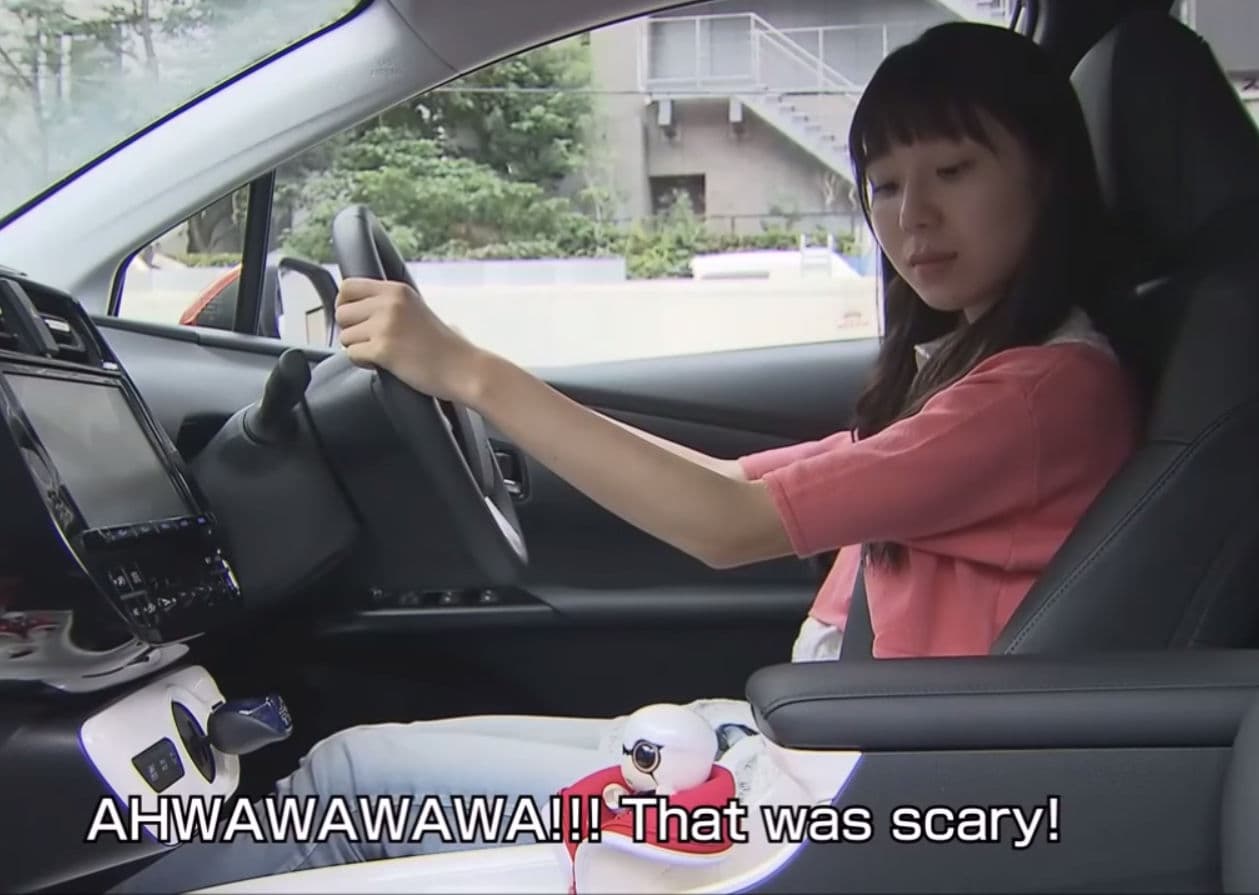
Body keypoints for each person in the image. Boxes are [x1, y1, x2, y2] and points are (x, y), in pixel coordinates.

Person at [112, 21, 1141, 892]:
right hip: (788, 762)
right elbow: (738, 484)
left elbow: (728, 525)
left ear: (1046, 176)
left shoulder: (1039, 395)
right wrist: (488, 392)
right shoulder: (971, 377)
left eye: (953, 171)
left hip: (827, 814)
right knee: (348, 766)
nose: (911, 217)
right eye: (882, 184)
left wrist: (471, 373)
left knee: (344, 790)